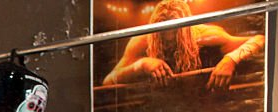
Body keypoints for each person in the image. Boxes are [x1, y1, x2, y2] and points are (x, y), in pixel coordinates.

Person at [103, 0, 265, 91]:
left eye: (175, 35)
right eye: (162, 36)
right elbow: (108, 81)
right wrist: (141, 64)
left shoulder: (204, 35)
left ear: (186, 32)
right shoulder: (142, 41)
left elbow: (259, 39)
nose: (169, 40)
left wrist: (230, 59)